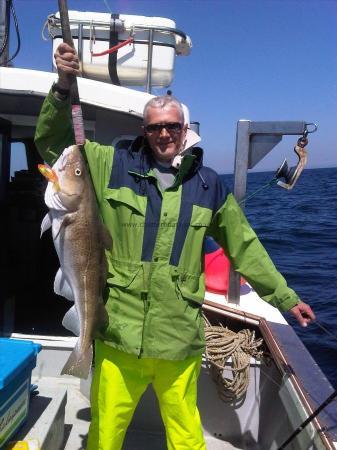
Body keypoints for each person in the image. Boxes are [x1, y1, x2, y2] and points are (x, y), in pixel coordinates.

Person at [34, 42, 315, 450]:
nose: (163, 133)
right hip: (118, 337)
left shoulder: (210, 185)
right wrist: (62, 86)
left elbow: (245, 246)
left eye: (172, 126)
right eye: (154, 127)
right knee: (104, 436)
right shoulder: (108, 165)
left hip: (178, 340)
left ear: (185, 130)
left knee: (186, 439)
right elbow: (54, 144)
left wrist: (285, 298)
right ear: (143, 132)